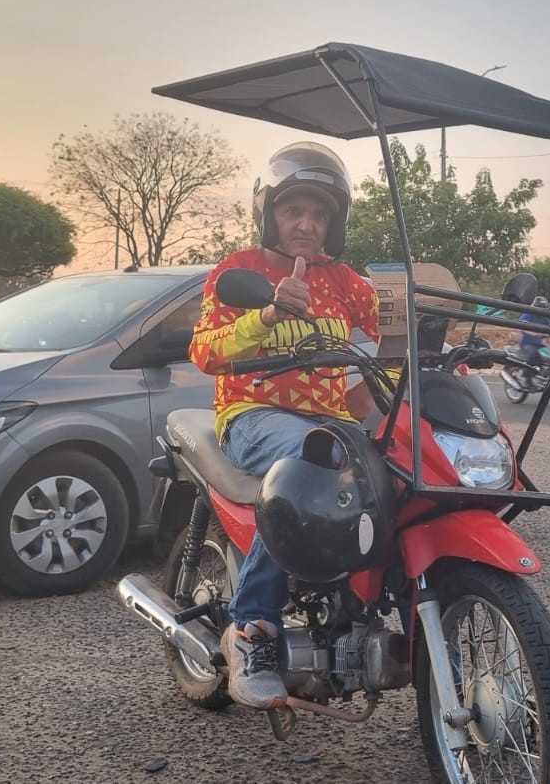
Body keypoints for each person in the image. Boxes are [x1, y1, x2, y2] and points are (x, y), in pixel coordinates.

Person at [188, 142, 380, 710]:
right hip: (253, 416)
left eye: (319, 214)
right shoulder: (237, 271)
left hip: (330, 420)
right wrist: (267, 315)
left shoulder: (353, 288)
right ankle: (253, 632)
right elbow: (204, 352)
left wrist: (389, 425)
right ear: (269, 213)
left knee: (392, 467)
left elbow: (360, 375)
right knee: (309, 466)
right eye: (295, 210)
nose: (307, 224)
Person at [516, 296, 550, 387]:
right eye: (539, 308)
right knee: (534, 354)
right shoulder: (528, 314)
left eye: (543, 309)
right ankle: (525, 376)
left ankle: (544, 376)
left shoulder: (545, 318)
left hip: (539, 344)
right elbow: (521, 325)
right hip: (526, 344)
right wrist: (533, 333)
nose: (541, 311)